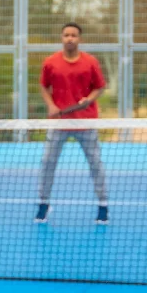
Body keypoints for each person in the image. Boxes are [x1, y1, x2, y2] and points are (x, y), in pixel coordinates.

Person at [35, 22, 109, 225]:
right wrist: (51, 105)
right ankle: (43, 203)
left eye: (74, 35)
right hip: (58, 123)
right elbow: (43, 86)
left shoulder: (90, 62)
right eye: (66, 35)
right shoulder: (50, 62)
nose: (70, 38)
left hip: (85, 122)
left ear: (79, 39)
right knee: (48, 163)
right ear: (62, 37)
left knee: (95, 164)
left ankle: (103, 206)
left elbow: (100, 87)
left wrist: (89, 99)